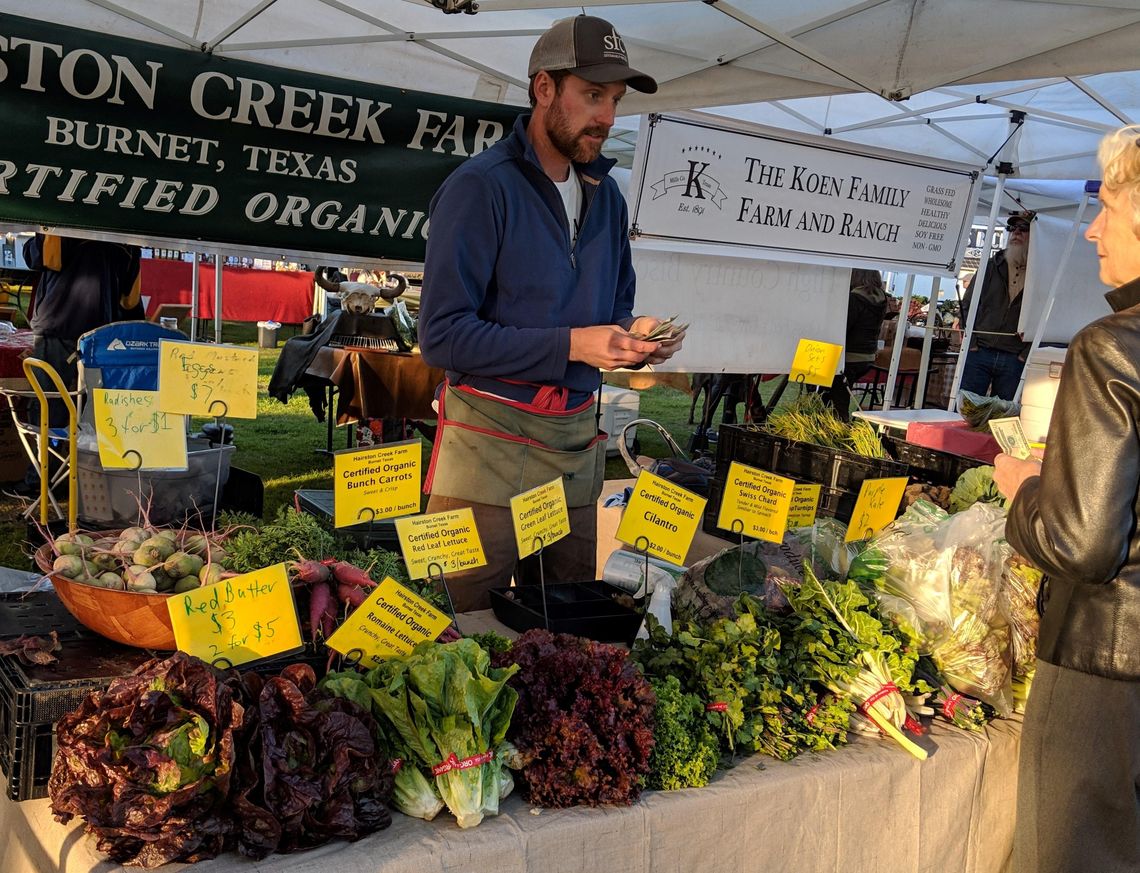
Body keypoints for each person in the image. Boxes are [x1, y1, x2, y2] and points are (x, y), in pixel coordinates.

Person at [418, 14, 683, 611]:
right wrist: (570, 345)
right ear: (543, 89)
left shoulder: (606, 195)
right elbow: (441, 336)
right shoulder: (480, 187)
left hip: (573, 448)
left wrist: (633, 335)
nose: (609, 117)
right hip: (486, 446)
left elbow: (613, 310)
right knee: (461, 625)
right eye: (593, 96)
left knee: (566, 619)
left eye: (614, 100)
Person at [993, 126, 1140, 873]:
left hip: (1104, 668)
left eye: (1108, 207)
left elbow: (1084, 542)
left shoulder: (1111, 347)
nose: (1091, 228)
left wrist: (1025, 491)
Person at [22, 233, 142, 418]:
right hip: (100, 336)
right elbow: (130, 301)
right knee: (93, 411)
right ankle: (82, 446)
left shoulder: (63, 215)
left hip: (58, 327)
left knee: (48, 406)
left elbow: (47, 257)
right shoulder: (126, 233)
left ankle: (50, 446)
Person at [956, 211, 1035, 400]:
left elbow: (1046, 316)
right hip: (980, 352)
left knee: (1004, 417)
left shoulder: (1041, 273)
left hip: (1015, 357)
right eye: (1012, 228)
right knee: (966, 410)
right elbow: (967, 305)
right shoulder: (991, 265)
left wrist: (1025, 353)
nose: (1016, 233)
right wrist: (972, 343)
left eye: (1023, 229)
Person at [826, 268, 888, 419]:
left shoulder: (854, 298)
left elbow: (844, 327)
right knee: (840, 397)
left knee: (838, 401)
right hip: (867, 356)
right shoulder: (882, 298)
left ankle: (839, 430)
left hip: (849, 356)